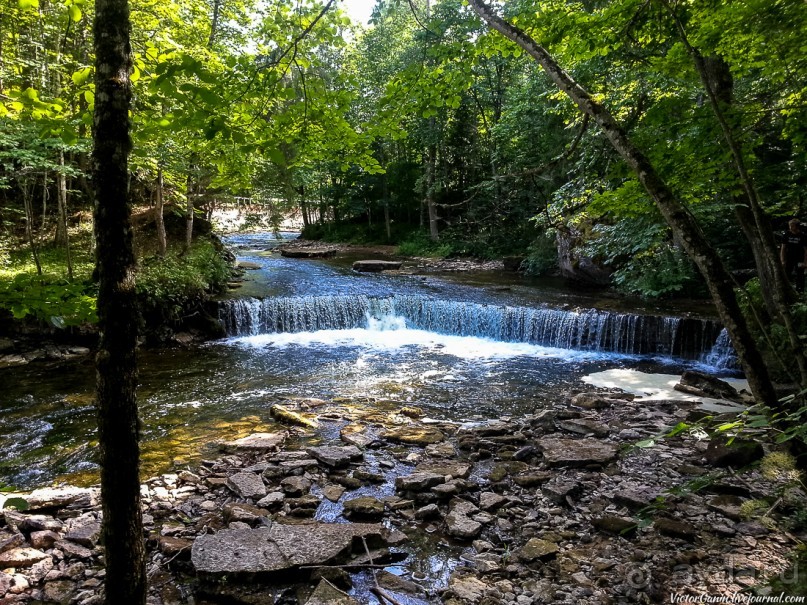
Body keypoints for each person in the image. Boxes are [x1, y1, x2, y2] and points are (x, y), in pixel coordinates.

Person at [780, 218, 807, 293]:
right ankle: (787, 290)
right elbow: (783, 248)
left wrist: (805, 262)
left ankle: (800, 291)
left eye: (792, 226)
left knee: (800, 276)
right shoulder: (786, 235)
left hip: (800, 258)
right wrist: (782, 260)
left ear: (797, 226)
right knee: (787, 274)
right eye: (790, 226)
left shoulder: (802, 236)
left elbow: (806, 250)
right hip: (789, 258)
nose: (790, 227)